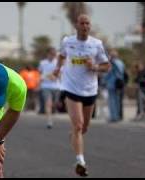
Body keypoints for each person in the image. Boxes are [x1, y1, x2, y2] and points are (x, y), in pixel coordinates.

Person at [53, 14, 110, 177]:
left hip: (90, 90)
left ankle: (74, 136)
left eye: (87, 23)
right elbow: (62, 55)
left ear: (89, 26)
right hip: (71, 88)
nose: (85, 26)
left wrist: (95, 67)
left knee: (84, 127)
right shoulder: (67, 41)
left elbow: (107, 66)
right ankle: (80, 161)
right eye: (82, 23)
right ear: (76, 25)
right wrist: (58, 68)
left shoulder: (96, 44)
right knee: (78, 125)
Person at [38, 47, 61, 129]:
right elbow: (40, 73)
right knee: (48, 104)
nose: (53, 55)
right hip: (46, 86)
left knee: (54, 104)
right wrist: (40, 83)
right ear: (48, 54)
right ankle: (49, 121)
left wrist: (55, 77)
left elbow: (61, 73)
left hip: (57, 87)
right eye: (51, 54)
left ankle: (53, 111)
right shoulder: (42, 63)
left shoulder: (58, 63)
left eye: (54, 54)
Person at [104, 49, 125, 122]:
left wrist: (104, 80)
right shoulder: (121, 63)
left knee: (112, 101)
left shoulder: (113, 63)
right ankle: (117, 116)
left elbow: (108, 74)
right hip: (119, 83)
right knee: (117, 100)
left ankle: (113, 117)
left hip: (112, 84)